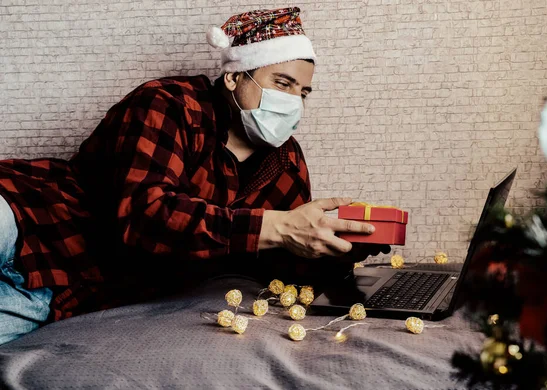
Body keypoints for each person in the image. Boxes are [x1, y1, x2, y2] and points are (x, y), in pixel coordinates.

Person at [0, 7, 389, 345]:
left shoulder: (287, 165)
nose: (293, 101)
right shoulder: (169, 104)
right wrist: (272, 227)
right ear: (236, 78)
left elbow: (274, 261)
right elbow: (141, 216)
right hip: (30, 217)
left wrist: (336, 249)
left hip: (61, 292)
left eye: (303, 92)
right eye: (281, 83)